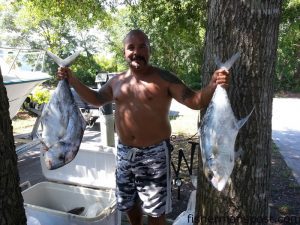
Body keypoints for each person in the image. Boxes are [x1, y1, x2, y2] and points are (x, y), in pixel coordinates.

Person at [57, 29, 230, 225]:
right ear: (124, 52)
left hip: (154, 155)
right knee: (127, 203)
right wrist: (72, 80)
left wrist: (213, 84)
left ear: (149, 50)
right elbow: (96, 99)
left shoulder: (164, 78)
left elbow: (194, 100)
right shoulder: (117, 81)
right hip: (124, 153)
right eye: (131, 47)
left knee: (156, 211)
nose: (136, 52)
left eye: (142, 46)